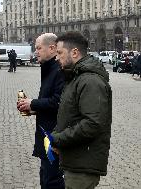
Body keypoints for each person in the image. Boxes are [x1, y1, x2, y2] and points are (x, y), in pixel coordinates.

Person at [51, 32, 112, 189]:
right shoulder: (76, 77)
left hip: (83, 165)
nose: (56, 58)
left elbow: (92, 124)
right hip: (76, 160)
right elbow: (72, 116)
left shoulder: (90, 81)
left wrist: (58, 139)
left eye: (59, 53)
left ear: (75, 52)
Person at [17, 33, 65, 189]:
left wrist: (34, 103)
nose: (35, 51)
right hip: (46, 134)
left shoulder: (59, 69)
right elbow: (50, 103)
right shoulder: (48, 68)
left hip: (53, 136)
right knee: (45, 175)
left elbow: (59, 102)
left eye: (38, 48)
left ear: (52, 48)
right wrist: (33, 109)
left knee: (52, 179)